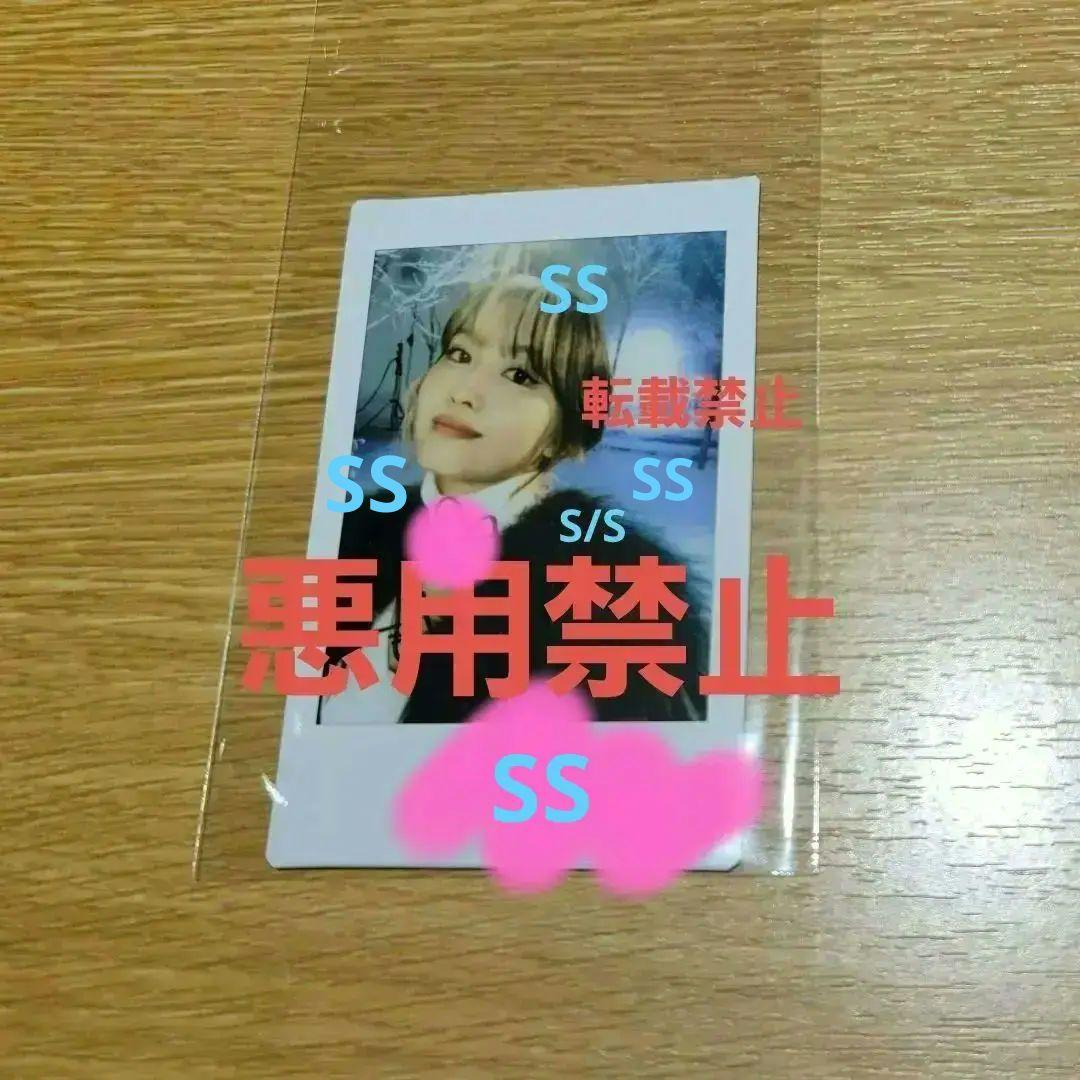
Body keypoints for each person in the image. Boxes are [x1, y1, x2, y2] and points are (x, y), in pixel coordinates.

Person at [322, 275, 708, 724]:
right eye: (460, 354)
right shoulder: (351, 532)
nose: (464, 391)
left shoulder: (614, 596)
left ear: (564, 432)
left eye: (520, 375)